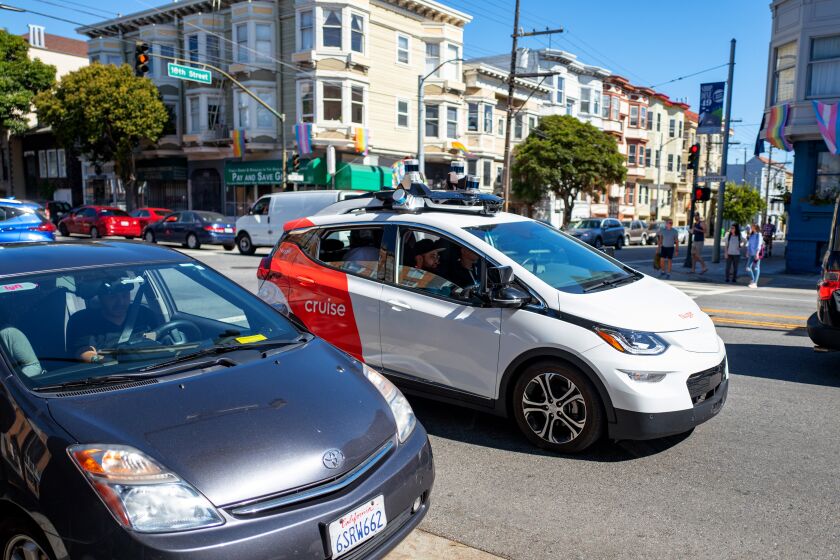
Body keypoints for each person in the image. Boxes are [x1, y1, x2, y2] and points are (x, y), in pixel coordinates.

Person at [67, 276, 157, 363]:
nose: (121, 302)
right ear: (100, 297)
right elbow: (84, 353)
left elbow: (158, 337)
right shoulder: (83, 321)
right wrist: (110, 363)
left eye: (125, 295)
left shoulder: (144, 314)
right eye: (113, 296)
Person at [746, 223, 765, 289]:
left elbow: (759, 244)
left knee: (756, 267)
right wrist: (747, 251)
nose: (751, 227)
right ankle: (753, 280)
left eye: (752, 226)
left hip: (756, 253)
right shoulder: (751, 235)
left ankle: (755, 283)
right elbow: (749, 244)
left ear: (755, 227)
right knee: (748, 268)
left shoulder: (758, 235)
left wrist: (757, 253)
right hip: (751, 253)